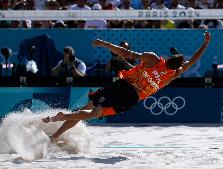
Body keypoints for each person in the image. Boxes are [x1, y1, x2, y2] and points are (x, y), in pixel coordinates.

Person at [42, 32, 211, 142]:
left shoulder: (153, 59)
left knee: (88, 108)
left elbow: (126, 54)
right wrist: (205, 43)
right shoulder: (174, 74)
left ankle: (56, 134)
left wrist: (103, 43)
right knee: (94, 114)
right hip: (130, 97)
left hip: (122, 84)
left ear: (167, 58)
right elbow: (194, 59)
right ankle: (61, 119)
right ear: (177, 68)